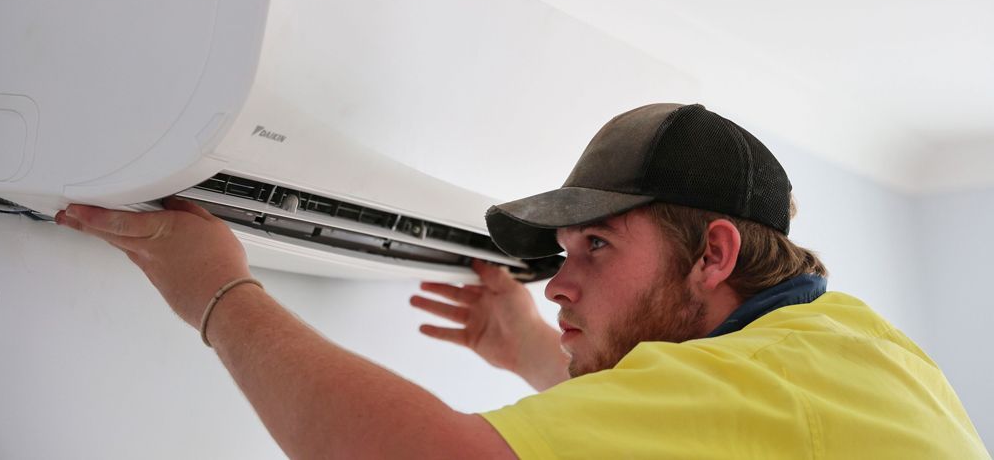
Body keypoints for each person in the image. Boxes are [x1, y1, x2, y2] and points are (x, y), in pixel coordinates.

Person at [55, 103, 988, 459]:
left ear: (712, 255)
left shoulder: (771, 380)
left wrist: (219, 295)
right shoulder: (850, 346)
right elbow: (692, 429)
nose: (556, 284)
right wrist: (538, 355)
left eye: (596, 249)